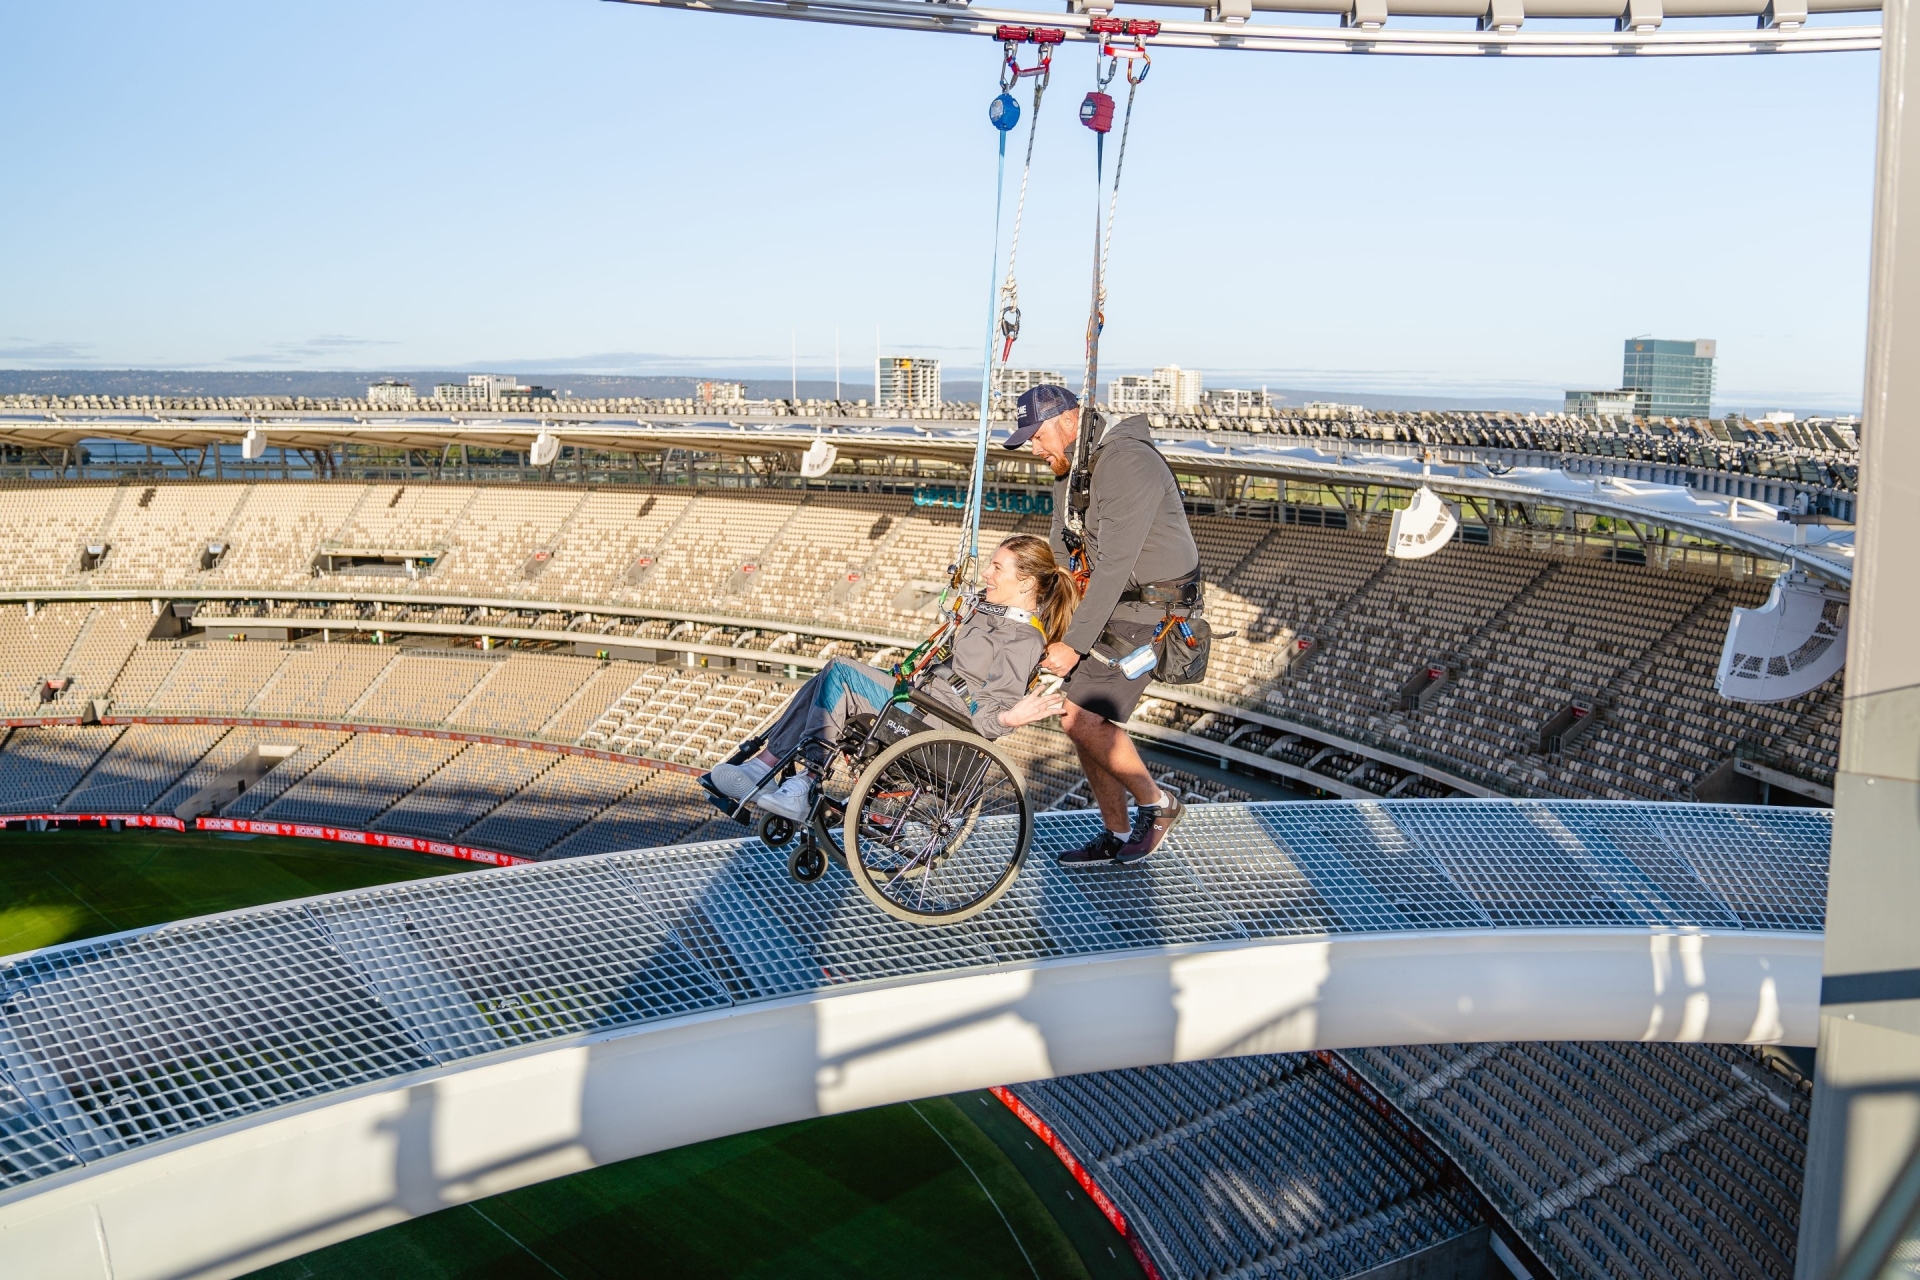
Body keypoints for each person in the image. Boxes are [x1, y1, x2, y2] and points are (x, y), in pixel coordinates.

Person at [705, 534, 1079, 821]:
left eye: (998, 567)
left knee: (841, 672)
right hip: (922, 704)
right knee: (827, 677)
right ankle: (765, 766)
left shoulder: (1024, 638)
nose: (987, 573)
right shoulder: (989, 611)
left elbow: (988, 717)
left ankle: (802, 779)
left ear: (1028, 582)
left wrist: (1009, 719)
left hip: (939, 727)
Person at [1002, 383, 1202, 866]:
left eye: (1037, 435)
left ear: (1070, 421)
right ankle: (1115, 831)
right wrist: (1040, 610)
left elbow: (1113, 565)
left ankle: (1158, 804)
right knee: (1080, 722)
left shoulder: (1126, 461)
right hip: (1118, 603)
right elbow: (1059, 543)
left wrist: (1073, 642)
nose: (1033, 446)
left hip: (1152, 608)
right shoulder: (1074, 466)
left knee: (1078, 715)